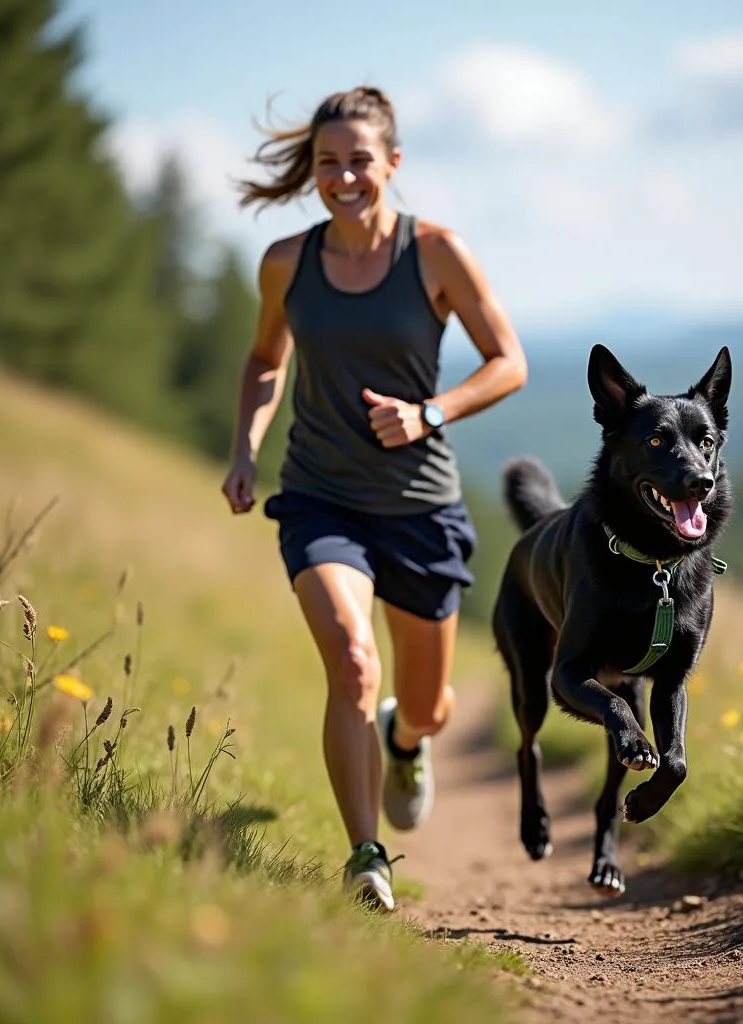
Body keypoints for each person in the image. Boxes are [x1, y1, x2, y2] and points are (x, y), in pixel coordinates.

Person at [221, 85, 528, 913]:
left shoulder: (436, 255)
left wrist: (430, 412)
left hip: (422, 509)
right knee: (352, 661)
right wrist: (246, 450)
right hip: (322, 499)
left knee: (427, 705)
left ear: (392, 164)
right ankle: (366, 855)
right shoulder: (287, 263)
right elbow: (263, 361)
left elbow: (509, 361)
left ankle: (406, 737)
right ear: (312, 171)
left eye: (361, 160)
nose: (345, 176)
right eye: (329, 162)